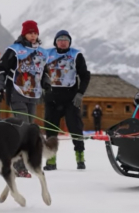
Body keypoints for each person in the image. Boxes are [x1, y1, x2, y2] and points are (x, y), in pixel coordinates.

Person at [0, 20, 51, 178]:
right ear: (24, 33)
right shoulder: (14, 50)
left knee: (30, 130)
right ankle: (18, 166)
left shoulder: (41, 52)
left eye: (35, 33)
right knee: (22, 128)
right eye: (30, 32)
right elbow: (0, 70)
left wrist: (47, 83)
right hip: (16, 93)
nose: (33, 36)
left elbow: (44, 71)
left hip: (33, 95)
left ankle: (25, 162)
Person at [43, 30, 91, 171]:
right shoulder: (46, 54)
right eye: (60, 39)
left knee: (75, 127)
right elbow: (38, 72)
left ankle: (80, 157)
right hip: (52, 98)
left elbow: (85, 75)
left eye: (66, 39)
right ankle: (51, 160)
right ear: (55, 42)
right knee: (50, 129)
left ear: (69, 42)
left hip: (71, 99)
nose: (63, 42)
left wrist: (80, 93)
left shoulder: (76, 55)